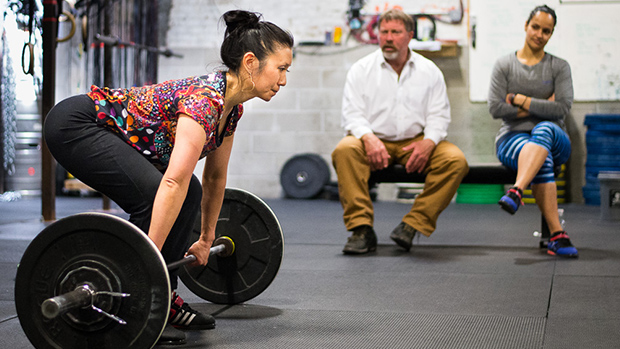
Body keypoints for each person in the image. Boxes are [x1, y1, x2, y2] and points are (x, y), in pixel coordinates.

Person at [43, 10, 293, 344]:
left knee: (191, 189)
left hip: (107, 132)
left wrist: (206, 238)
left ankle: (162, 299)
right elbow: (171, 181)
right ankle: (139, 303)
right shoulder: (204, 101)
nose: (284, 80)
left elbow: (215, 179)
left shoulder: (231, 109)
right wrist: (148, 264)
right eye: (281, 68)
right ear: (251, 62)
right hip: (77, 125)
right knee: (154, 193)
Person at [331, 8, 469, 255]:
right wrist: (369, 138)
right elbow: (352, 114)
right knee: (344, 150)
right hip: (372, 141)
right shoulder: (361, 70)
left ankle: (412, 224)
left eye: (395, 32)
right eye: (384, 32)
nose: (388, 37)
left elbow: (439, 116)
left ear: (409, 36)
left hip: (415, 142)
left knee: (455, 160)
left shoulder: (429, 71)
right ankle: (361, 230)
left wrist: (428, 143)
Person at [488, 5, 578, 258]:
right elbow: (495, 108)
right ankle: (558, 236)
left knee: (545, 128)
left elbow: (562, 108)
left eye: (546, 31)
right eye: (536, 27)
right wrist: (541, 106)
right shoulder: (504, 65)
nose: (539, 34)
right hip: (511, 139)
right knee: (542, 156)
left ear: (551, 35)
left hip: (556, 137)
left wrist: (518, 99)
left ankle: (517, 189)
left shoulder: (559, 67)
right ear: (526, 26)